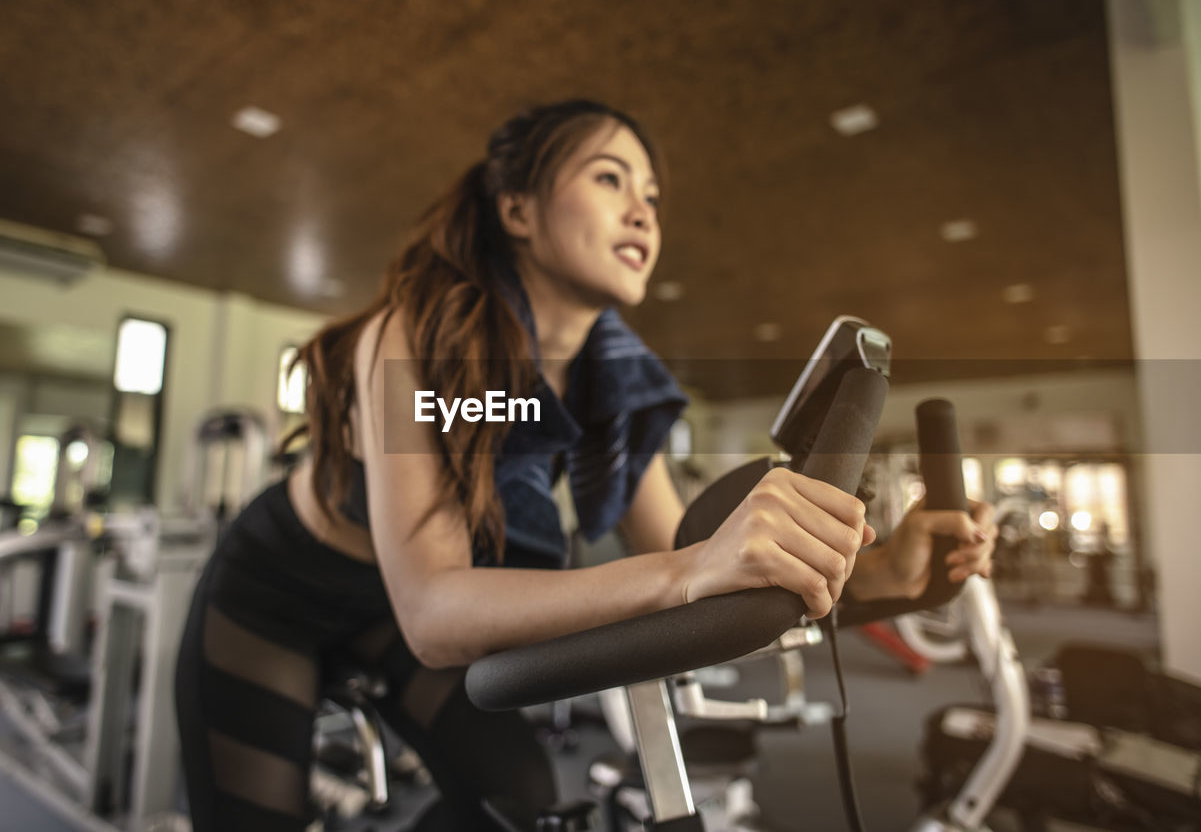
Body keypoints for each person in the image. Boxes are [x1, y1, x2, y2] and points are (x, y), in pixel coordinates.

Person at [174, 98, 997, 831]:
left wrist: (886, 572)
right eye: (610, 179)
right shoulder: (422, 336)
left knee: (521, 802)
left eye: (652, 195)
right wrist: (692, 564)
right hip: (278, 598)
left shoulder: (613, 383)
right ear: (518, 210)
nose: (642, 210)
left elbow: (697, 569)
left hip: (378, 618)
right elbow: (433, 610)